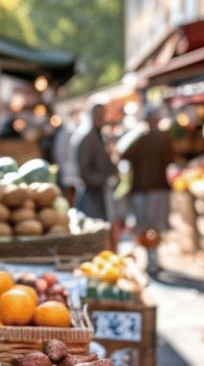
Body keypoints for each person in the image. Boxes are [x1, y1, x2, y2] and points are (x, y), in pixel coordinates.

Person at [120, 104, 176, 273]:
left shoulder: (139, 138)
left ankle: (150, 258)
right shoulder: (159, 138)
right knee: (152, 226)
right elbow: (170, 160)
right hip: (154, 188)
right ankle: (151, 258)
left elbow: (123, 155)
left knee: (146, 226)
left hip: (144, 188)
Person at [73, 103, 115, 221]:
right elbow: (84, 170)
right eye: (98, 115)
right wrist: (100, 180)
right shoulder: (87, 139)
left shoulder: (100, 136)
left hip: (100, 191)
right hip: (91, 194)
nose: (101, 119)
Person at [53, 110, 80, 203]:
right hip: (68, 168)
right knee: (70, 192)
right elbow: (61, 151)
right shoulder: (66, 131)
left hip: (74, 168)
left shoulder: (77, 130)